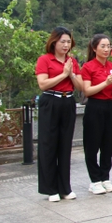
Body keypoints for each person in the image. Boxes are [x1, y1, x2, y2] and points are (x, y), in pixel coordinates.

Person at [35, 27, 84, 202]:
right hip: (50, 101)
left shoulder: (72, 61)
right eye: (62, 41)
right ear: (54, 42)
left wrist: (70, 74)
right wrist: (63, 74)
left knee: (65, 145)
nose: (66, 45)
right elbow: (43, 84)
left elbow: (80, 87)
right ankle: (50, 188)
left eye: (68, 42)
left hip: (68, 101)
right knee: (49, 145)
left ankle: (65, 187)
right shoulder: (44, 60)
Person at [81, 34, 112, 195]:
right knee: (92, 145)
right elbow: (87, 91)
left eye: (108, 46)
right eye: (103, 46)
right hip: (95, 107)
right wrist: (105, 82)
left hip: (111, 106)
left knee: (108, 145)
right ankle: (95, 180)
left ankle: (105, 177)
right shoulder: (88, 67)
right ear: (94, 48)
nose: (107, 49)